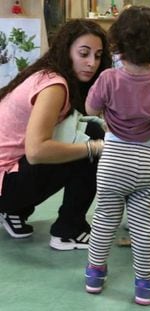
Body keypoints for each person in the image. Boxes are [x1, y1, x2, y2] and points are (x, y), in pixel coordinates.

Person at [83, 6, 150, 306]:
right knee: (143, 226)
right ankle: (145, 284)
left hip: (112, 159)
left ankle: (95, 275)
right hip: (147, 160)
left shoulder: (108, 79)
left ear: (117, 45)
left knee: (103, 219)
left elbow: (90, 109)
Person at [0, 19, 111, 250]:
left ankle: (14, 211)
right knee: (90, 144)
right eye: (84, 53)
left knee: (89, 129)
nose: (92, 63)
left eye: (98, 55)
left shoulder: (47, 75)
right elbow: (36, 151)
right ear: (66, 49)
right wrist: (96, 147)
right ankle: (68, 231)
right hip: (6, 184)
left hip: (7, 174)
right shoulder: (54, 86)